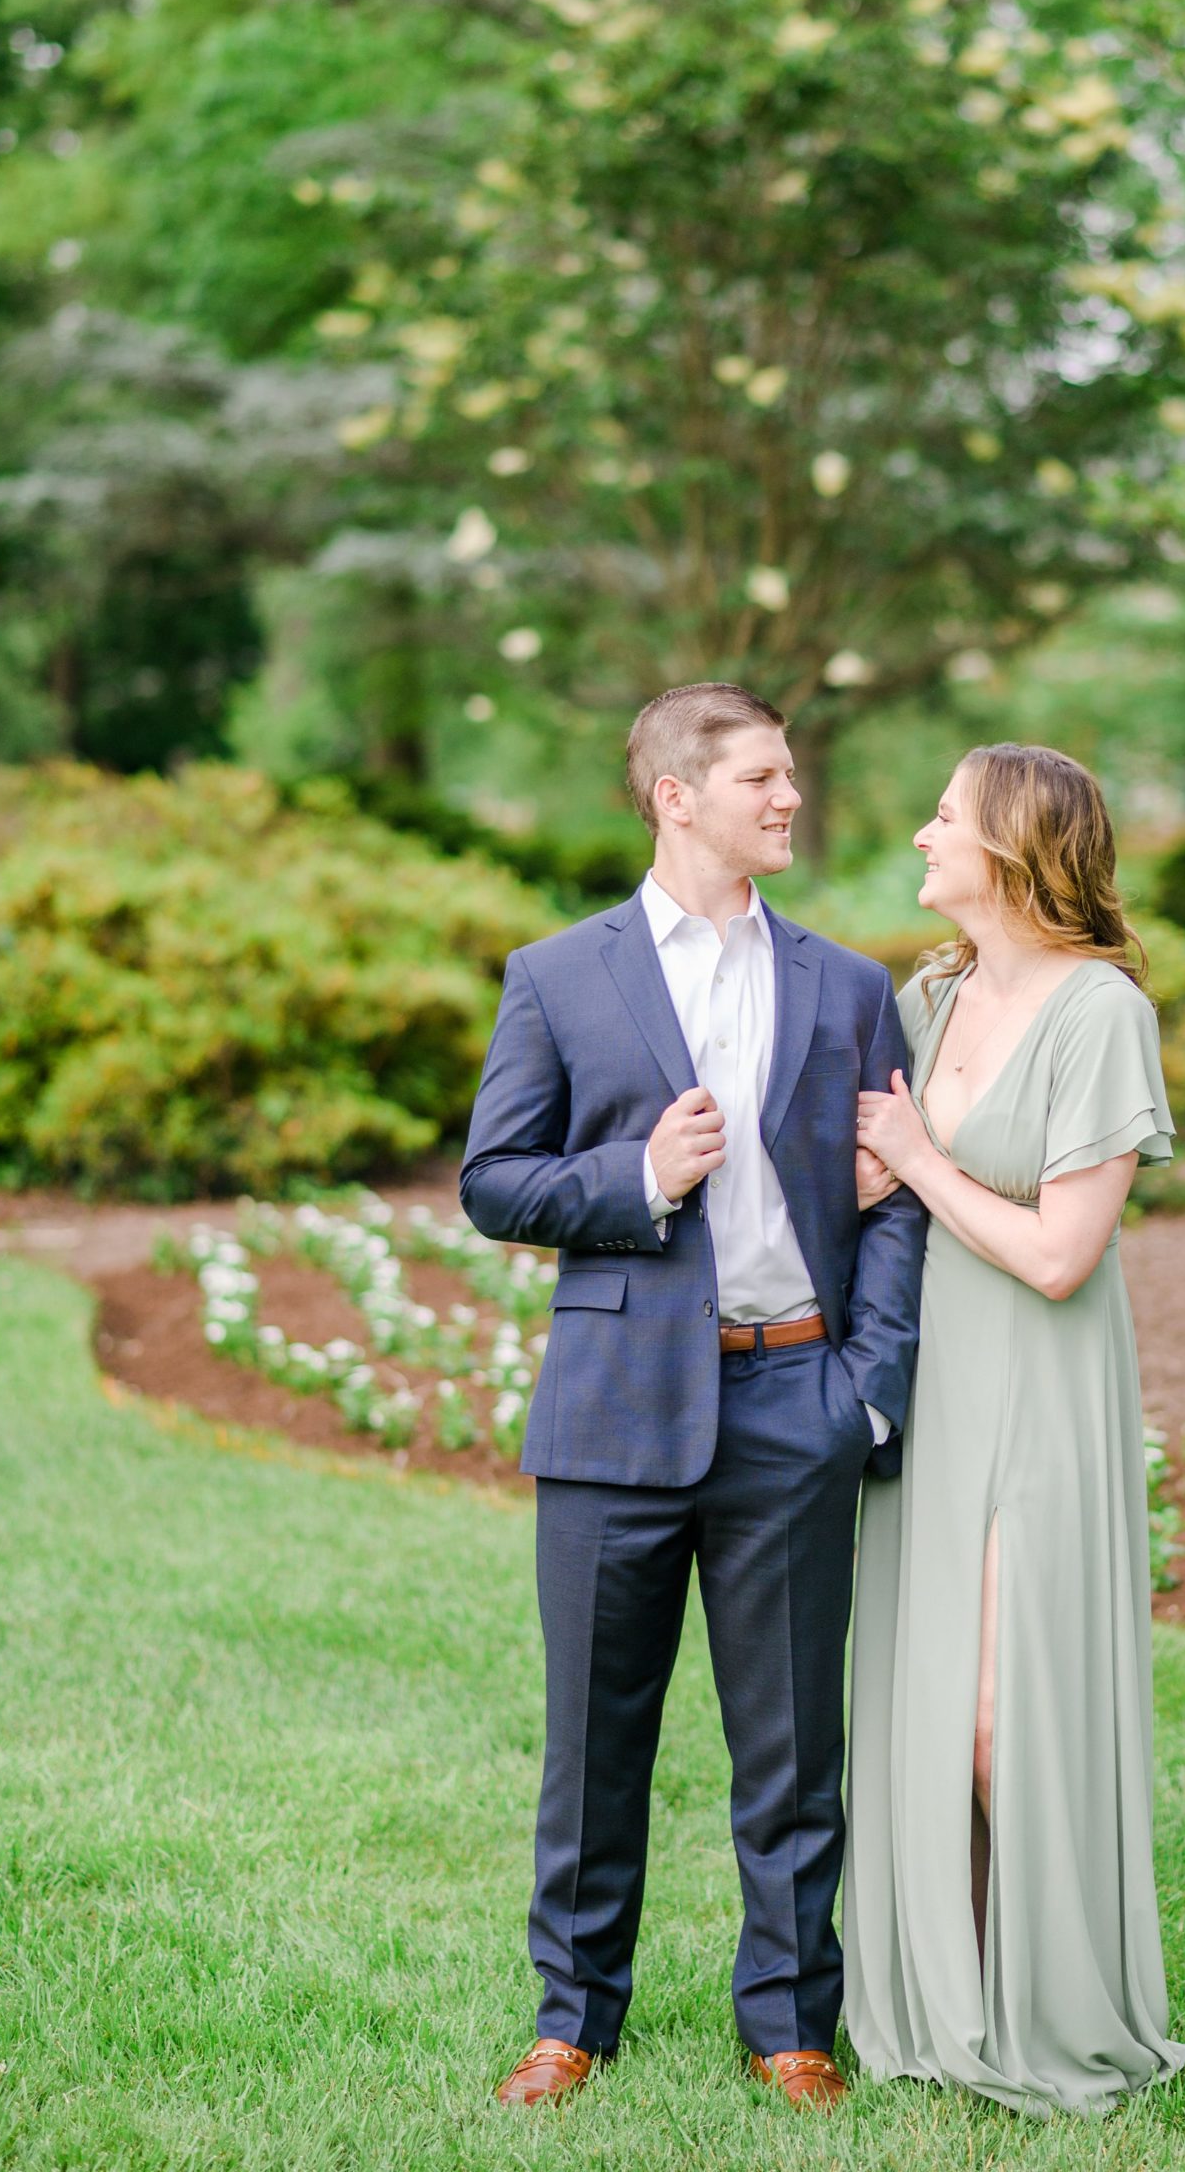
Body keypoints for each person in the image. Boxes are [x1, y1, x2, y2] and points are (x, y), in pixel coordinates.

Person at [460, 682, 926, 2113]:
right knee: (595, 1742)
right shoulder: (557, 974)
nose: (791, 799)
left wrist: (868, 1387)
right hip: (613, 1413)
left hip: (796, 1400)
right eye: (765, 778)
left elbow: (895, 1188)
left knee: (793, 1747)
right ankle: (573, 2022)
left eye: (791, 778)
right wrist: (635, 1180)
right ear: (678, 795)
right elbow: (494, 1179)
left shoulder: (850, 987)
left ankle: (790, 2023)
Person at [845, 741, 1185, 2114]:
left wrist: (922, 1164)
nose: (923, 832)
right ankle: (947, 1994)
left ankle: (1054, 2003)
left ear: (1011, 847)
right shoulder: (927, 998)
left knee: (1003, 1712)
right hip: (926, 1385)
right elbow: (881, 1190)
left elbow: (1063, 1254)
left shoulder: (1099, 1011)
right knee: (928, 1699)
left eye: (946, 814)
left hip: (1037, 1386)